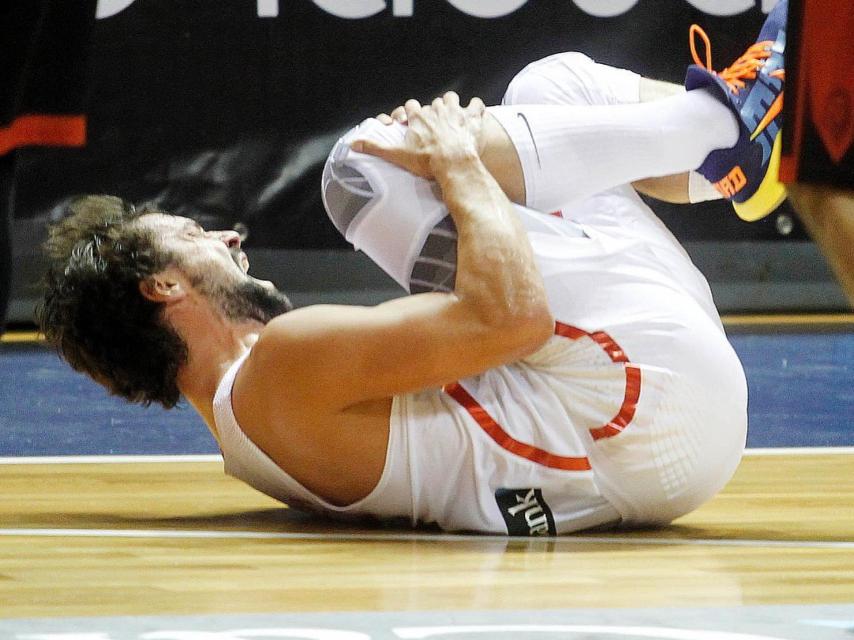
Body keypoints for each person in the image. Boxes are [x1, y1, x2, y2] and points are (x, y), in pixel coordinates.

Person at [38, 4, 790, 535]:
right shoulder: (277, 373)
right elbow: (512, 318)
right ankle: (727, 126)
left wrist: (478, 162)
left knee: (554, 87)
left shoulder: (257, 424)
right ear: (163, 287)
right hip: (642, 406)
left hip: (649, 424)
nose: (231, 235)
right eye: (196, 234)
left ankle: (732, 154)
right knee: (360, 167)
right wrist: (460, 163)